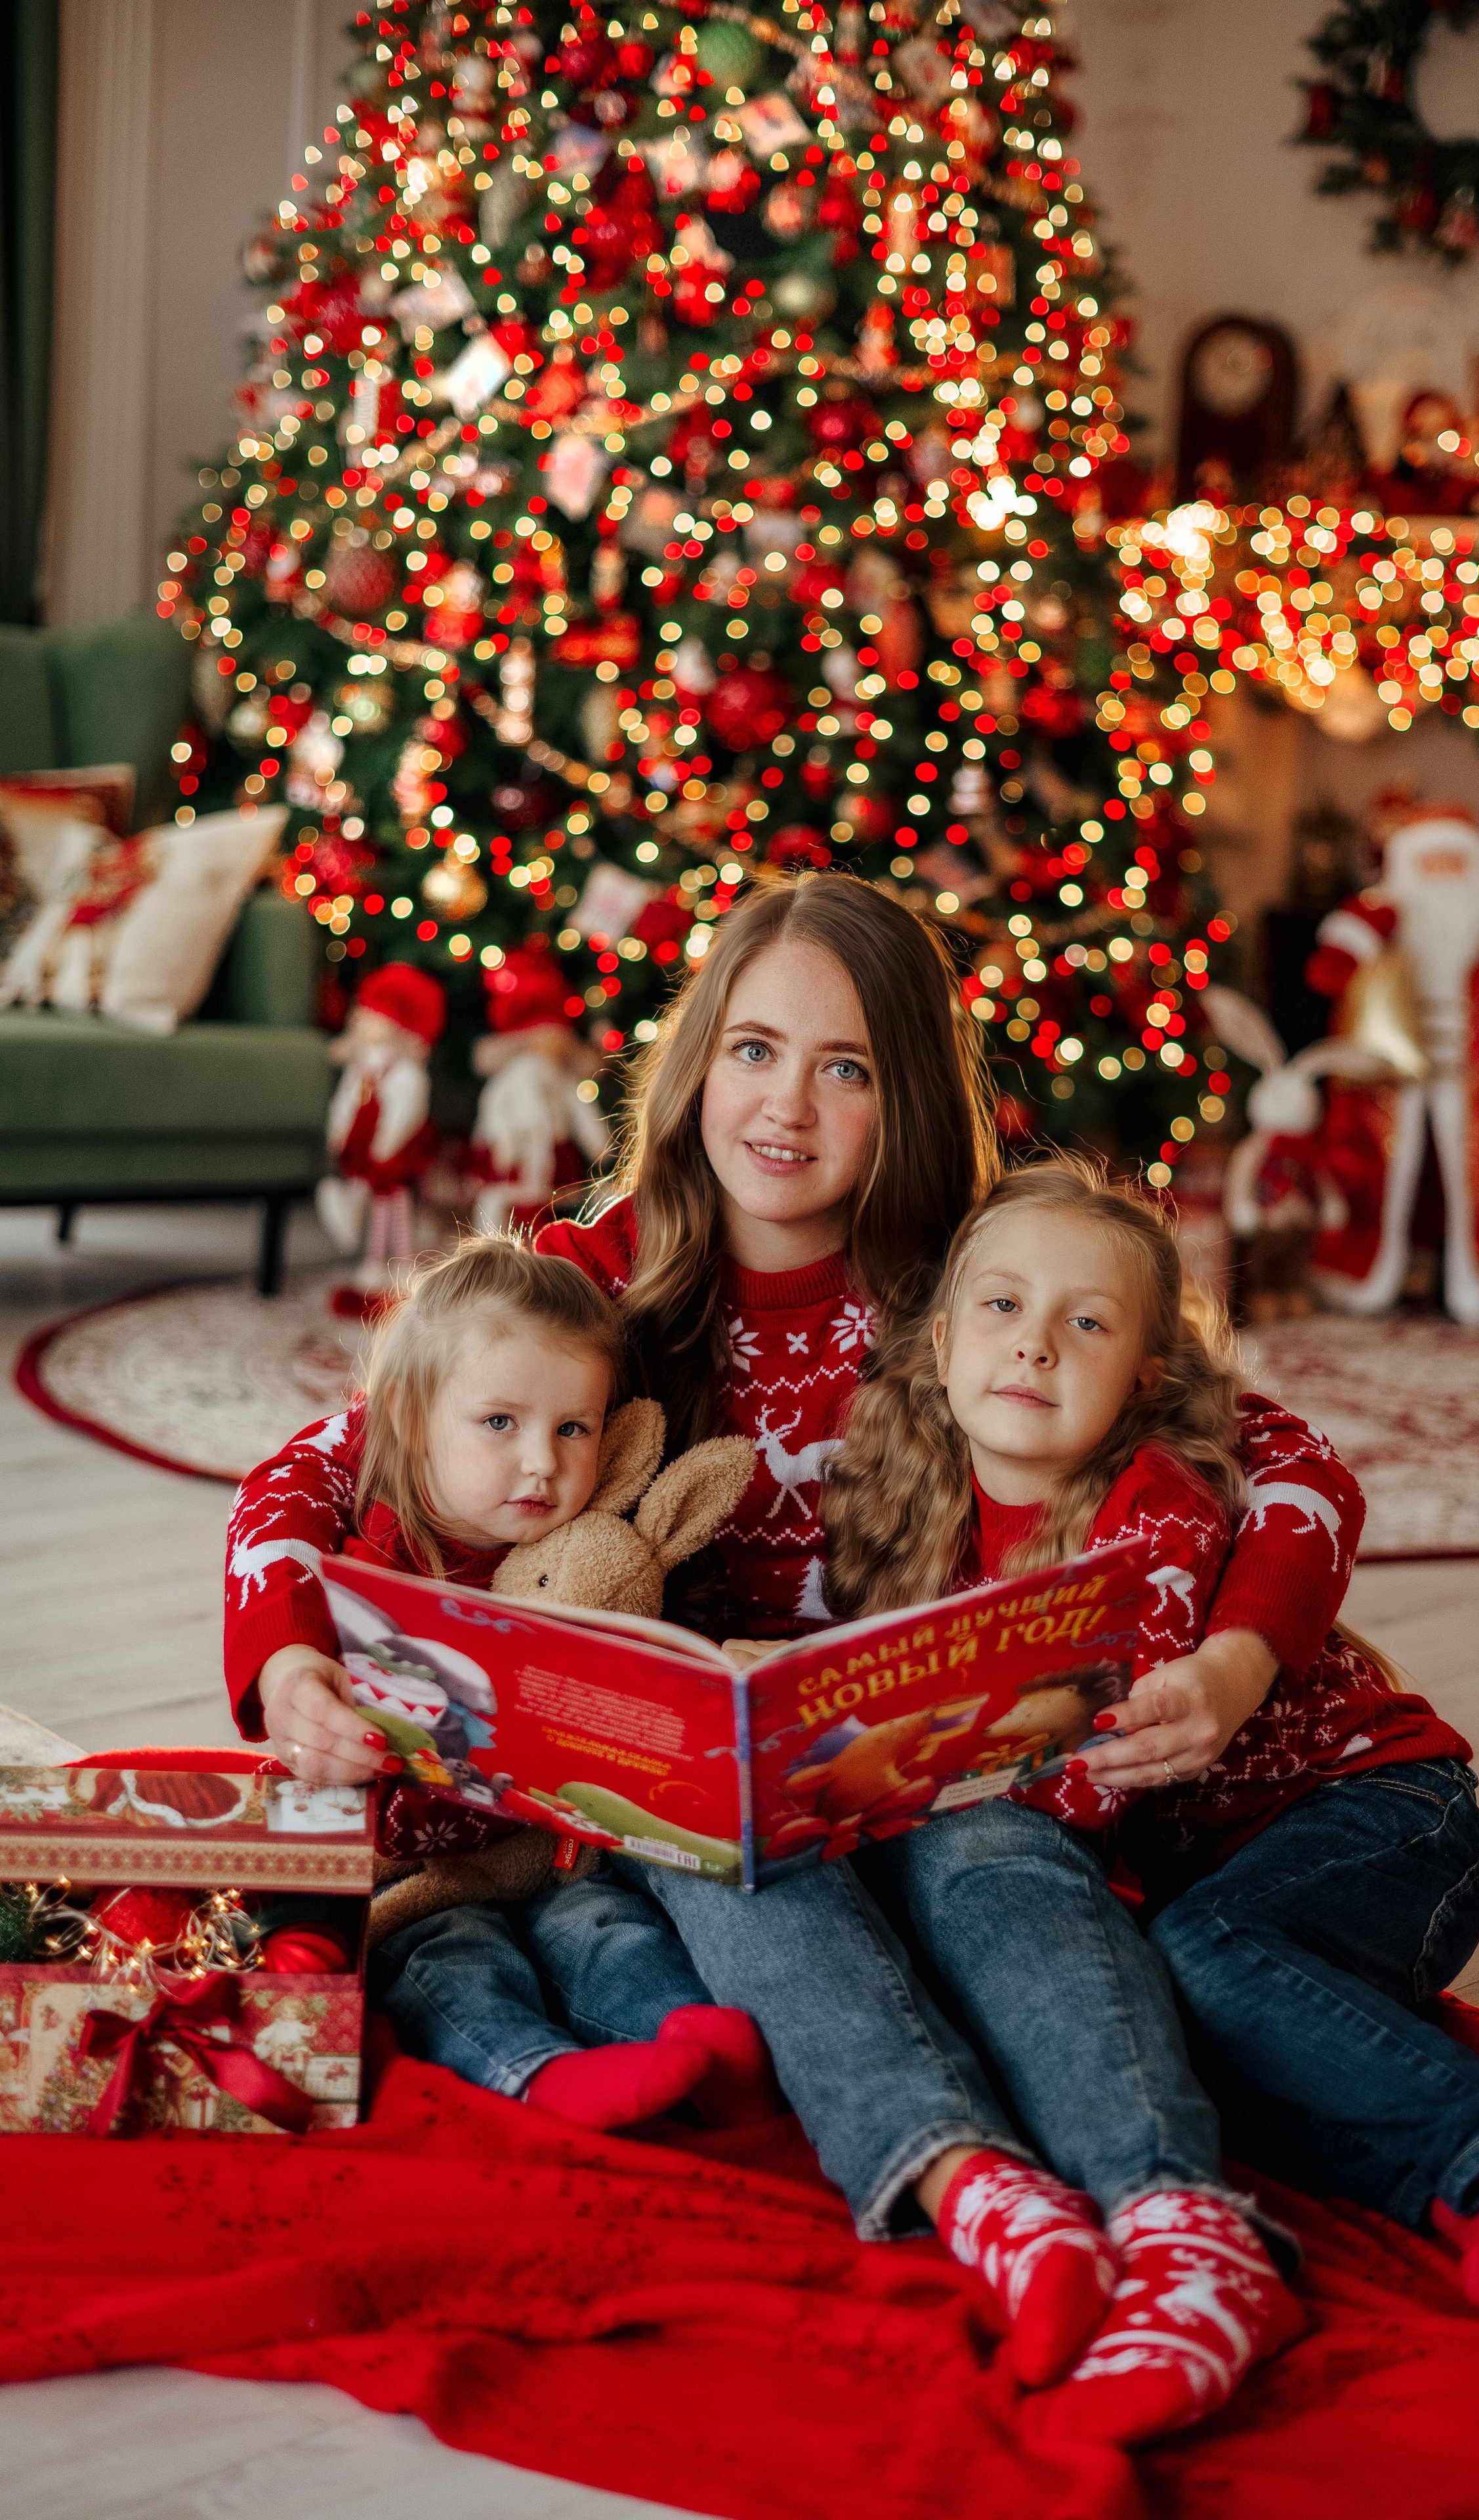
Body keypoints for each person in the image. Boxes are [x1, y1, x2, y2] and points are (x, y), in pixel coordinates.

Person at [222, 872, 1360, 2414]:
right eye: (752, 1049)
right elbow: (319, 1467)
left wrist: (1235, 1663)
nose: (784, 1107)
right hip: (703, 1796)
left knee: (1007, 1903)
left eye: (846, 1068)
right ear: (693, 1064)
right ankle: (980, 2199)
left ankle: (1169, 2222)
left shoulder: (989, 1277)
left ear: (908, 1099)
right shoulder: (598, 1269)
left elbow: (1285, 1469)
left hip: (951, 1781)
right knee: (679, 1884)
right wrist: (289, 1661)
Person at [823, 1155, 1479, 2383]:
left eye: (1088, 1323)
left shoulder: (1155, 1508)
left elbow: (1071, 1784)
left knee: (1202, 1965)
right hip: (1226, 1865)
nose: (1036, 1348)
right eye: (1003, 1307)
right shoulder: (918, 1525)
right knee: (1162, 2023)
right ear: (942, 1336)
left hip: (1379, 1814)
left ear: (1143, 1379)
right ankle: (1451, 2193)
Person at [266, 1232, 781, 2133]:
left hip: (557, 1863)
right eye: (500, 1424)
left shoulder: (584, 1558)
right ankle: (535, 2076)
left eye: (572, 1429)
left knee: (609, 1932)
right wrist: (304, 1675)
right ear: (414, 1420)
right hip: (420, 1875)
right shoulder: (367, 1551)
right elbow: (277, 1554)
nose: (542, 1462)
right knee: (447, 1962)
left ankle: (690, 2045)